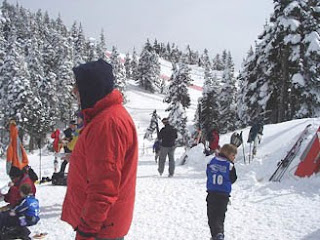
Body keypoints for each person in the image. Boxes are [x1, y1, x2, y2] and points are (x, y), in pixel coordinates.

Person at [61, 59, 138, 240]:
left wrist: (86, 232)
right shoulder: (105, 117)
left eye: (78, 88)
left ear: (91, 88)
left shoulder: (107, 124)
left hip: (101, 229)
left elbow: (104, 188)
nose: (74, 93)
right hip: (104, 225)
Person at [206, 144, 237, 240]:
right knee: (220, 216)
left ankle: (216, 235)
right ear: (227, 154)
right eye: (233, 156)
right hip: (223, 195)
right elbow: (233, 178)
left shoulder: (212, 161)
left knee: (211, 217)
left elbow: (208, 173)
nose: (234, 158)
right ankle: (219, 234)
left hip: (211, 194)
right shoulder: (230, 166)